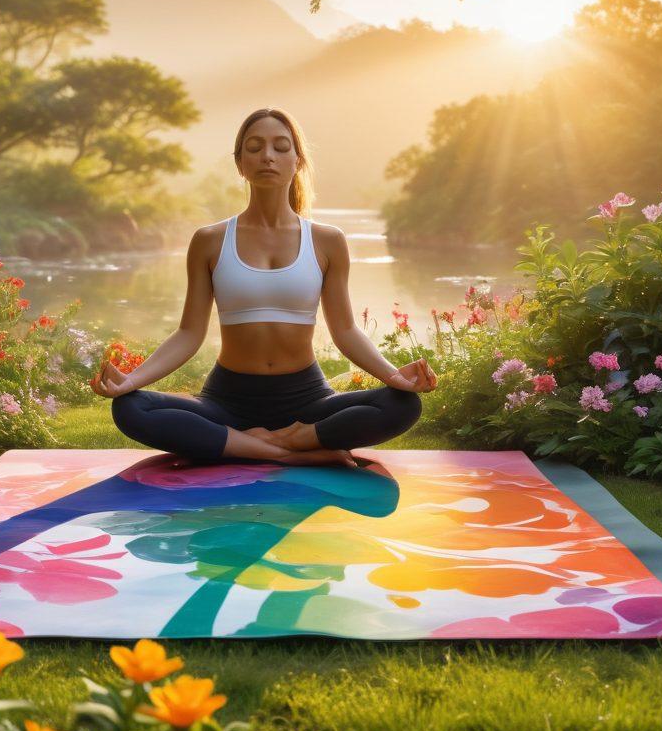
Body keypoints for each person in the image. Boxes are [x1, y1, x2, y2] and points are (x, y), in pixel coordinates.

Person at [93, 107, 437, 467]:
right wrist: (130, 381)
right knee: (131, 407)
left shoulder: (327, 241)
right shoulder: (209, 241)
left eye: (280, 147)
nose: (267, 156)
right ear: (240, 163)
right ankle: (295, 455)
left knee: (403, 404)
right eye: (254, 147)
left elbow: (347, 330)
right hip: (226, 400)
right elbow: (189, 333)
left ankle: (271, 441)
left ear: (298, 160)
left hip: (307, 400)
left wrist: (395, 376)